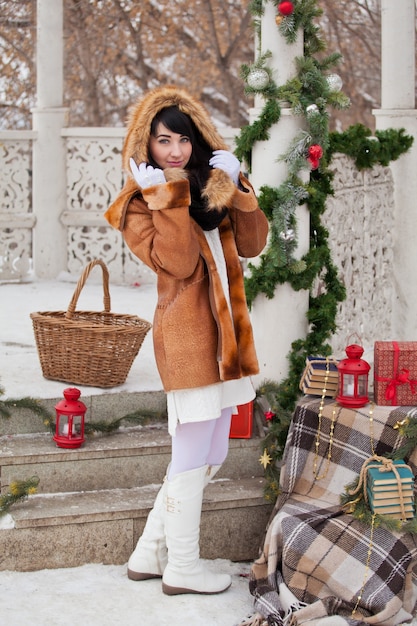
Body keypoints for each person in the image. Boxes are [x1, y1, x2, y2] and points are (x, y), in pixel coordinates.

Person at [104, 85, 269, 596]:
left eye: (183, 140)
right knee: (193, 451)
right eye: (162, 141)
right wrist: (165, 196)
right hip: (189, 339)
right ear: (145, 145)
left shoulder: (214, 185)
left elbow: (253, 243)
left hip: (229, 338)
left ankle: (149, 553)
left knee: (213, 448)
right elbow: (176, 262)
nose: (174, 152)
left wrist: (239, 185)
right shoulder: (137, 204)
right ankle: (183, 565)